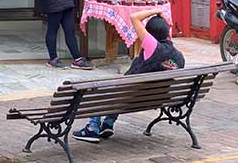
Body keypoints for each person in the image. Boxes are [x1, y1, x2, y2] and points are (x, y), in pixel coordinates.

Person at [73, 8, 184, 143]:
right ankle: (108, 124)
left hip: (131, 97)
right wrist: (165, 23)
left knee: (99, 89)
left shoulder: (153, 47)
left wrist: (157, 10)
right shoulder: (179, 57)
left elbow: (134, 17)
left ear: (149, 34)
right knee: (121, 90)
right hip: (155, 98)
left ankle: (93, 128)